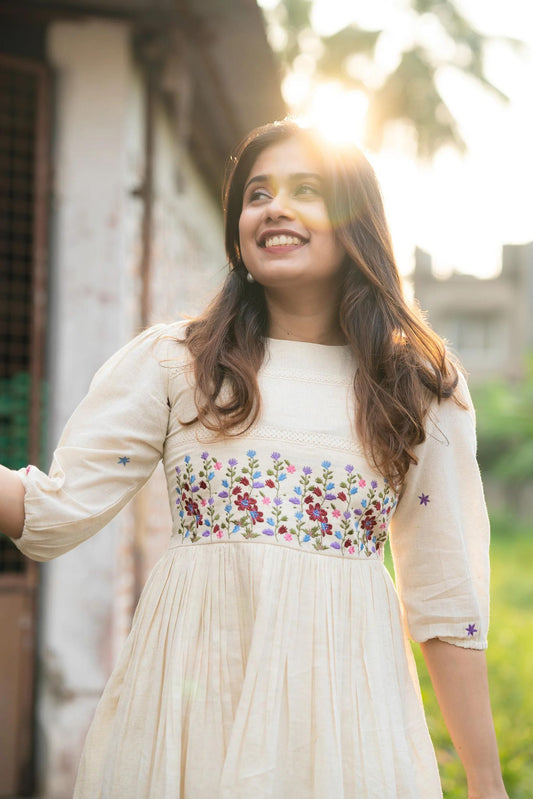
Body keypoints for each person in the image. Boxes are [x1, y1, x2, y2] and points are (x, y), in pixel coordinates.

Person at [0, 119, 507, 798]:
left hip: (342, 721)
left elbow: (444, 593)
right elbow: (56, 509)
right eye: (257, 193)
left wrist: (484, 778)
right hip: (187, 719)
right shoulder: (177, 363)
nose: (274, 207)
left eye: (306, 190)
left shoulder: (413, 385)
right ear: (238, 229)